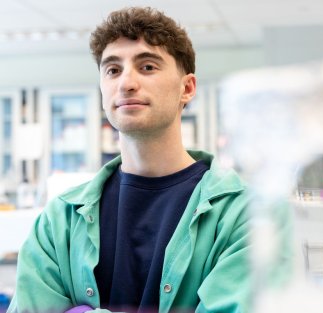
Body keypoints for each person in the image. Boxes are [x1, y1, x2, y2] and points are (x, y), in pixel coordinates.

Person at [8, 7, 251, 313]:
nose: (126, 83)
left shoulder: (242, 214)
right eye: (112, 70)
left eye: (147, 66)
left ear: (186, 88)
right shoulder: (60, 220)